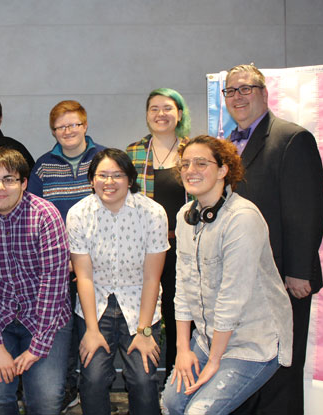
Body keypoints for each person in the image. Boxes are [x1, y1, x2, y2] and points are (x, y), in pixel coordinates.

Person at [222, 64, 323, 415]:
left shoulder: (291, 139)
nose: (237, 96)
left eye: (245, 89)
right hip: (240, 278)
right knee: (246, 366)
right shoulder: (224, 146)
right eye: (230, 91)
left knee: (281, 370)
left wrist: (300, 271)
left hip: (283, 278)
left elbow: (307, 209)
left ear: (264, 93)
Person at [162, 135, 294, 415]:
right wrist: (182, 350)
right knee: (172, 403)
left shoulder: (242, 218)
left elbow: (231, 300)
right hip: (208, 337)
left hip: (253, 341)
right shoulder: (186, 216)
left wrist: (214, 361)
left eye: (201, 163)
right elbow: (182, 289)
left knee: (199, 412)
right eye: (185, 164)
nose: (190, 170)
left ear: (223, 170)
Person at [0, 147, 72, 415]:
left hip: (45, 319)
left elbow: (54, 285)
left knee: (45, 401)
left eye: (9, 179)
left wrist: (37, 347)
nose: (0, 187)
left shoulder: (46, 216)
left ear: (24, 183)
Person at [67, 148, 169, 415]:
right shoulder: (79, 214)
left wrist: (145, 332)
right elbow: (84, 276)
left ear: (130, 180)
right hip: (95, 304)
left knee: (144, 378)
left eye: (117, 175)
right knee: (93, 378)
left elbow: (151, 277)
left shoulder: (153, 213)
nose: (109, 182)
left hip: (140, 303)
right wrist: (91, 330)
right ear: (91, 180)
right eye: (102, 175)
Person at [27, 99, 105, 412]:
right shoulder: (43, 166)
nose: (68, 131)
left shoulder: (104, 159)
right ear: (53, 131)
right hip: (57, 264)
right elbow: (31, 214)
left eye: (74, 124)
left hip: (101, 263)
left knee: (93, 326)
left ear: (85, 126)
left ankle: (92, 389)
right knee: (65, 328)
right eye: (61, 126)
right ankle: (67, 389)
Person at [125, 88, 191, 381]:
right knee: (146, 312)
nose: (160, 114)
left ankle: (177, 380)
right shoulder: (134, 152)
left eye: (167, 108)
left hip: (185, 247)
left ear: (179, 114)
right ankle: (145, 383)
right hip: (147, 249)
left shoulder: (194, 151)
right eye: (154, 108)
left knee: (181, 313)